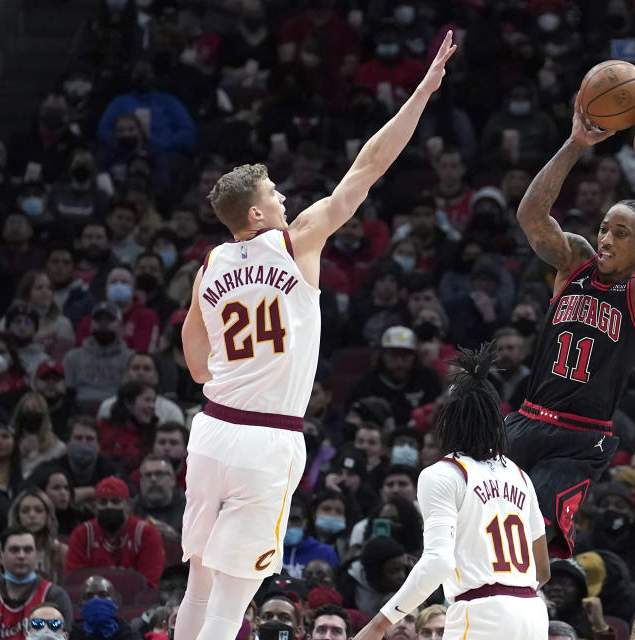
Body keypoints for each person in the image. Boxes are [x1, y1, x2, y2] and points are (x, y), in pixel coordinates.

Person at [174, 33, 457, 640]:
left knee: (198, 580)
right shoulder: (297, 238)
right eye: (273, 192)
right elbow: (368, 168)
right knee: (232, 598)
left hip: (211, 429)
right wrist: (422, 93)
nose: (283, 196)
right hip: (266, 442)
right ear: (256, 214)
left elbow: (196, 364)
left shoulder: (211, 264)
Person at [506, 94, 635, 558]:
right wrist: (574, 144)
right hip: (526, 418)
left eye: (620, 233)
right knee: (476, 523)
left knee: (530, 539)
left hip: (581, 436)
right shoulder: (576, 261)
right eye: (605, 228)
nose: (605, 238)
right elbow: (530, 217)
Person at [352, 345, 550, 640]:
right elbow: (542, 570)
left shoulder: (442, 474)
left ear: (448, 422)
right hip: (532, 613)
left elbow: (439, 562)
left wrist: (380, 623)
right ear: (497, 420)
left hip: (480, 612)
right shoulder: (520, 476)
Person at [64, 477, 164, 588]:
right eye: (103, 502)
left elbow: (150, 584)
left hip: (135, 602)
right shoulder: (82, 534)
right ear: (94, 506)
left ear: (128, 505)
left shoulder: (147, 534)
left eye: (115, 501)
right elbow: (74, 581)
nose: (109, 506)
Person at [0, 527, 73, 640]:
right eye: (14, 550)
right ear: (1, 556)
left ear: (36, 555)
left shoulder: (55, 596)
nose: (21, 556)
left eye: (27, 550)